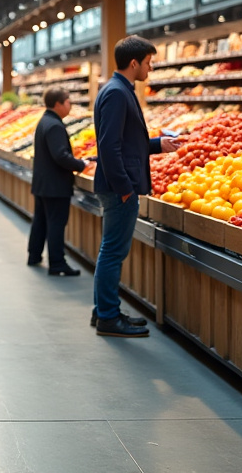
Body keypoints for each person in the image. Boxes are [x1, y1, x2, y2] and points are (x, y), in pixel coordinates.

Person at [93, 36, 183, 337]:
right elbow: (109, 147)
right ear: (134, 63)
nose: (151, 67)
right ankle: (108, 316)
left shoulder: (118, 89)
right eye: (148, 62)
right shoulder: (118, 93)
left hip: (120, 185)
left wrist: (159, 144)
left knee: (111, 250)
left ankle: (104, 310)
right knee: (113, 252)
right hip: (120, 188)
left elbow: (128, 142)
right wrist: (125, 189)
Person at [28, 88, 87, 279]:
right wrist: (81, 165)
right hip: (55, 185)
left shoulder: (44, 121)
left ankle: (34, 254)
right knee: (56, 224)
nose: (70, 105)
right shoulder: (54, 125)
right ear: (58, 104)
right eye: (68, 101)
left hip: (43, 182)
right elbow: (60, 155)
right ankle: (57, 263)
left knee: (41, 220)